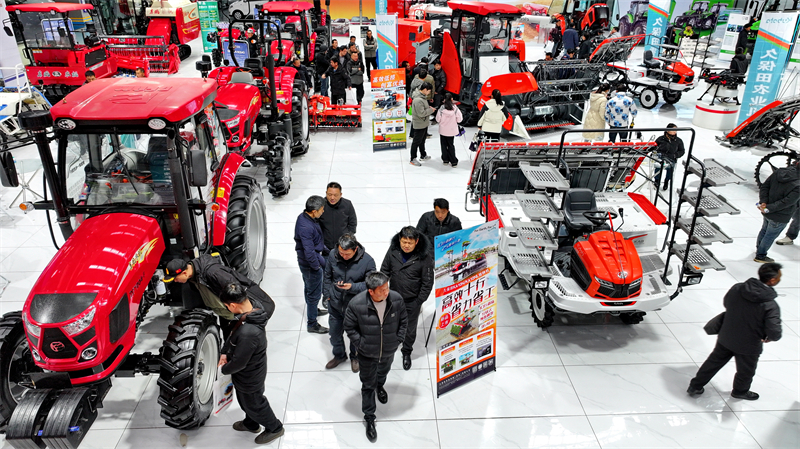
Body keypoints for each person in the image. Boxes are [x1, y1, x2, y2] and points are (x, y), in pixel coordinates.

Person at [687, 263, 783, 401]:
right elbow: (774, 332)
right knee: (746, 370)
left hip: (727, 334)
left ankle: (695, 386)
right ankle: (740, 391)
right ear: (772, 280)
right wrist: (768, 336)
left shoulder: (738, 288)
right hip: (749, 345)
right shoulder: (770, 305)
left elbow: (727, 303)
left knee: (713, 362)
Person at [344, 271, 408, 443]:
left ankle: (381, 386)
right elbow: (349, 327)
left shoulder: (396, 299)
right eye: (382, 290)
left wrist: (398, 340)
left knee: (383, 373)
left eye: (387, 288)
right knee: (367, 384)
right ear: (371, 291)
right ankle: (369, 416)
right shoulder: (356, 304)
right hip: (367, 354)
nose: (386, 293)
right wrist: (362, 344)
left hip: (388, 350)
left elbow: (403, 320)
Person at [218, 284, 284, 445]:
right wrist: (225, 352)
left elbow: (239, 363)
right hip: (246, 373)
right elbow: (233, 335)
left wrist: (222, 370)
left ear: (233, 305)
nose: (227, 309)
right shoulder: (250, 312)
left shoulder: (249, 333)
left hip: (250, 376)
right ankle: (251, 423)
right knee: (244, 400)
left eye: (227, 306)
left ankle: (275, 428)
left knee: (255, 403)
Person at [163, 254, 276, 338]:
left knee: (242, 342)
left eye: (175, 278)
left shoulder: (213, 273)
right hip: (227, 313)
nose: (176, 281)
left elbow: (237, 292)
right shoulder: (194, 275)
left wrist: (241, 319)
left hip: (239, 313)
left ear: (184, 273)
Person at [380, 226, 433, 370]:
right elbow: (384, 270)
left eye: (410, 243)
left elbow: (427, 283)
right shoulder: (393, 251)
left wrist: (418, 302)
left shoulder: (424, 257)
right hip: (393, 298)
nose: (406, 246)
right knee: (391, 323)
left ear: (416, 242)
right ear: (400, 240)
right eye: (404, 242)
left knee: (409, 329)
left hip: (412, 301)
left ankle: (407, 351)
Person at [324, 234, 376, 372]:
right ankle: (339, 355)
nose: (343, 256)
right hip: (335, 304)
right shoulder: (333, 255)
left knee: (355, 336)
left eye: (347, 254)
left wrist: (352, 287)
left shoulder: (368, 261)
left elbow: (371, 284)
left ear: (355, 249)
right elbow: (327, 276)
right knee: (334, 334)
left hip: (356, 307)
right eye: (341, 253)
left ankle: (356, 357)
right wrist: (327, 294)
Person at [294, 195, 330, 334]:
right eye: (322, 209)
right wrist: (317, 267)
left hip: (309, 261)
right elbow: (309, 252)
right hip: (309, 264)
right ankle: (312, 323)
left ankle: (313, 309)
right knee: (314, 293)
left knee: (309, 288)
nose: (323, 211)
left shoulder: (304, 217)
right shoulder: (306, 227)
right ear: (314, 211)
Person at [755, 159, 800, 263]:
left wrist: (764, 203)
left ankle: (759, 250)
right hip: (781, 215)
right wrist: (769, 208)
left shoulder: (779, 171)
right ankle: (760, 256)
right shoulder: (798, 185)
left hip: (766, 210)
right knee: (770, 235)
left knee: (764, 230)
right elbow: (786, 202)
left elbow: (765, 186)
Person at [318, 181, 358, 251]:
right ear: (326, 193)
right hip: (325, 246)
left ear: (340, 194)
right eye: (329, 194)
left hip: (343, 246)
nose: (332, 198)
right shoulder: (320, 206)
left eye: (335, 195)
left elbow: (352, 223)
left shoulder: (347, 204)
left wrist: (348, 237)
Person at [652, 123, 686, 191]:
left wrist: (675, 155)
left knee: (670, 170)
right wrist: (655, 153)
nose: (674, 131)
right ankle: (657, 180)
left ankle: (667, 181)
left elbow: (682, 151)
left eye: (676, 130)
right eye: (673, 130)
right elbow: (654, 147)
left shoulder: (678, 141)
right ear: (667, 130)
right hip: (661, 157)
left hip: (671, 158)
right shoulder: (660, 139)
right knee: (658, 167)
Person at [409, 82, 435, 166]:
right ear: (424, 89)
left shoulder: (422, 97)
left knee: (422, 140)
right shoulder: (418, 100)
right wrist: (431, 110)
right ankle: (413, 158)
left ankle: (423, 155)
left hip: (424, 123)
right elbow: (421, 113)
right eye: (429, 91)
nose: (429, 93)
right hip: (419, 123)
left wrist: (429, 108)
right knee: (416, 141)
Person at [435, 93, 462, 167]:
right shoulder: (455, 108)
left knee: (443, 145)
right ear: (452, 99)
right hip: (451, 130)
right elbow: (459, 119)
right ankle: (453, 161)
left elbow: (437, 119)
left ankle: (445, 160)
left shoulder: (441, 108)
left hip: (443, 130)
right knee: (451, 145)